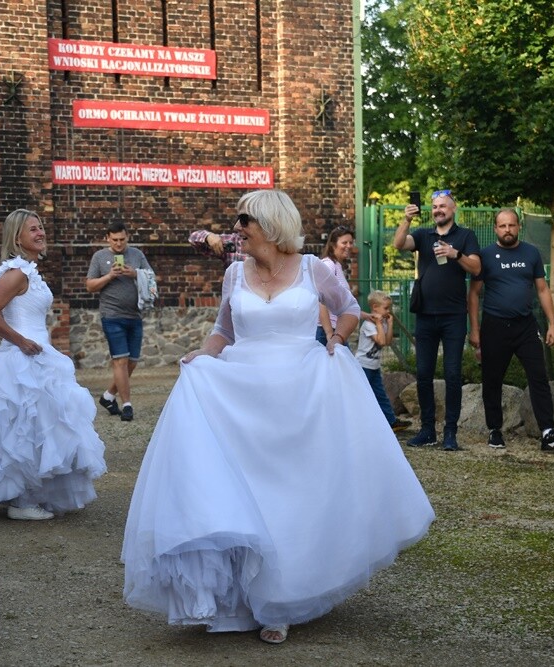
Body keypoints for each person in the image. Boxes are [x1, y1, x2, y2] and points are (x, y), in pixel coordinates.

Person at [121, 190, 434, 645]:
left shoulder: (315, 268)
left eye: (243, 219)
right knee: (248, 492)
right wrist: (202, 355)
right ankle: (243, 597)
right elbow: (223, 330)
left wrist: (335, 342)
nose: (236, 228)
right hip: (242, 395)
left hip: (300, 392)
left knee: (293, 495)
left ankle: (283, 600)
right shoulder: (234, 272)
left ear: (269, 224)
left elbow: (347, 310)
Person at [0, 209, 107, 521]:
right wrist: (19, 341)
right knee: (22, 428)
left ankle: (29, 494)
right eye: (33, 229)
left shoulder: (30, 272)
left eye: (41, 227)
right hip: (23, 357)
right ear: (17, 238)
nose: (41, 232)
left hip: (40, 355)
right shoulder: (15, 274)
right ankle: (21, 500)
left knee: (36, 429)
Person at [467, 209, 554, 451]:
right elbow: (473, 294)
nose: (507, 230)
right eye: (502, 226)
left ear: (518, 227)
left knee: (538, 376)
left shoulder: (531, 253)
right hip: (494, 326)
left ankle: (548, 432)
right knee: (492, 380)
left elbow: (543, 290)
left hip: (525, 325)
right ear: (495, 229)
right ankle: (494, 430)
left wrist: (553, 324)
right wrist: (474, 330)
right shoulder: (485, 256)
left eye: (511, 225)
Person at [392, 189, 481, 451]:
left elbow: (476, 268)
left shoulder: (465, 236)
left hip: (453, 316)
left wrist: (456, 254)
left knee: (453, 374)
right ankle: (428, 430)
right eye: (435, 207)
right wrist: (406, 220)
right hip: (425, 315)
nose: (438, 210)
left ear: (453, 209)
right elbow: (398, 244)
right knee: (423, 374)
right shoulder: (423, 234)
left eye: (443, 206)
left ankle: (450, 433)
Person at [86, 221, 153, 422]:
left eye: (122, 239)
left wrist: (135, 274)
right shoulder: (99, 257)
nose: (118, 244)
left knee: (131, 362)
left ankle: (108, 396)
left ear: (127, 237)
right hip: (112, 315)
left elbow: (151, 277)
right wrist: (110, 276)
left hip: (135, 315)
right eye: (114, 240)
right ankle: (127, 405)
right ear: (108, 238)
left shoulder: (137, 255)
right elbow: (90, 285)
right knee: (120, 361)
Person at [356, 290, 411, 432]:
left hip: (374, 366)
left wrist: (390, 324)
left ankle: (391, 421)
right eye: (386, 308)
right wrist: (380, 325)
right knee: (362, 395)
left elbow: (387, 341)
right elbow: (380, 341)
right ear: (375, 307)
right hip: (363, 366)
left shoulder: (383, 323)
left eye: (389, 308)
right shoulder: (369, 325)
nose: (389, 311)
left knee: (381, 394)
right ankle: (359, 422)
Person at [316, 225, 356, 345]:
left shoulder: (337, 266)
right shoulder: (329, 265)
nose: (348, 246)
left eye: (351, 242)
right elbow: (320, 301)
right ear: (333, 245)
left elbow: (340, 304)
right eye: (344, 242)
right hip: (327, 332)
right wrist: (329, 333)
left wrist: (365, 315)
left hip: (338, 330)